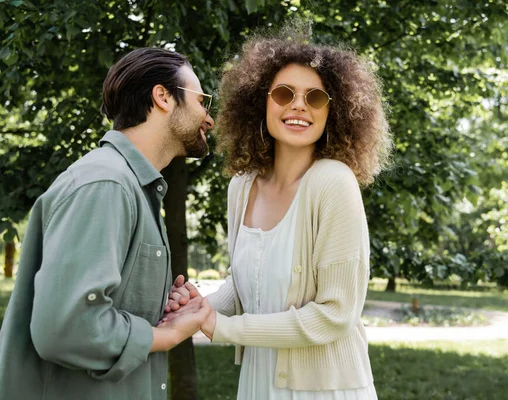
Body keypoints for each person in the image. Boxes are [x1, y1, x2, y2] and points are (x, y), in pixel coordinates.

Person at [163, 25, 393, 399]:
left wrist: (222, 327)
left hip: (323, 390)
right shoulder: (242, 186)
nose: (299, 105)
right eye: (284, 93)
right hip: (258, 382)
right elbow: (245, 286)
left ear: (334, 112)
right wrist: (197, 307)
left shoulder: (333, 182)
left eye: (315, 97)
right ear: (259, 102)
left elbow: (335, 315)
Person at [0, 47, 215, 400]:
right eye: (201, 100)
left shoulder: (134, 187)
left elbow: (100, 308)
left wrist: (160, 309)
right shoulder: (106, 185)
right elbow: (66, 328)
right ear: (162, 97)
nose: (209, 119)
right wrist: (169, 335)